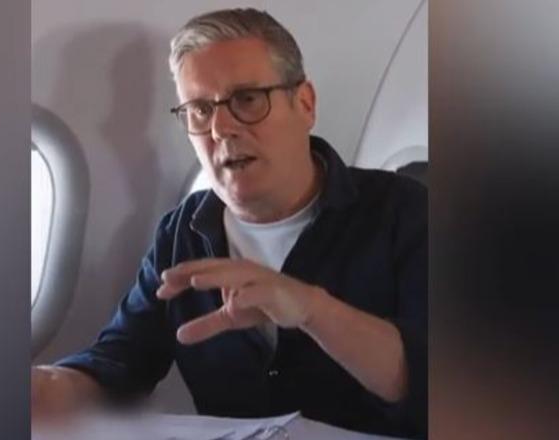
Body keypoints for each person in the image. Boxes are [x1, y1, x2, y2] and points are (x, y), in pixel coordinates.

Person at [32, 8, 427, 438]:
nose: (220, 128)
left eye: (248, 100)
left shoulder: (404, 211)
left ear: (305, 104)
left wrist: (311, 309)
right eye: (200, 110)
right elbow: (119, 366)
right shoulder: (182, 232)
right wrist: (44, 388)